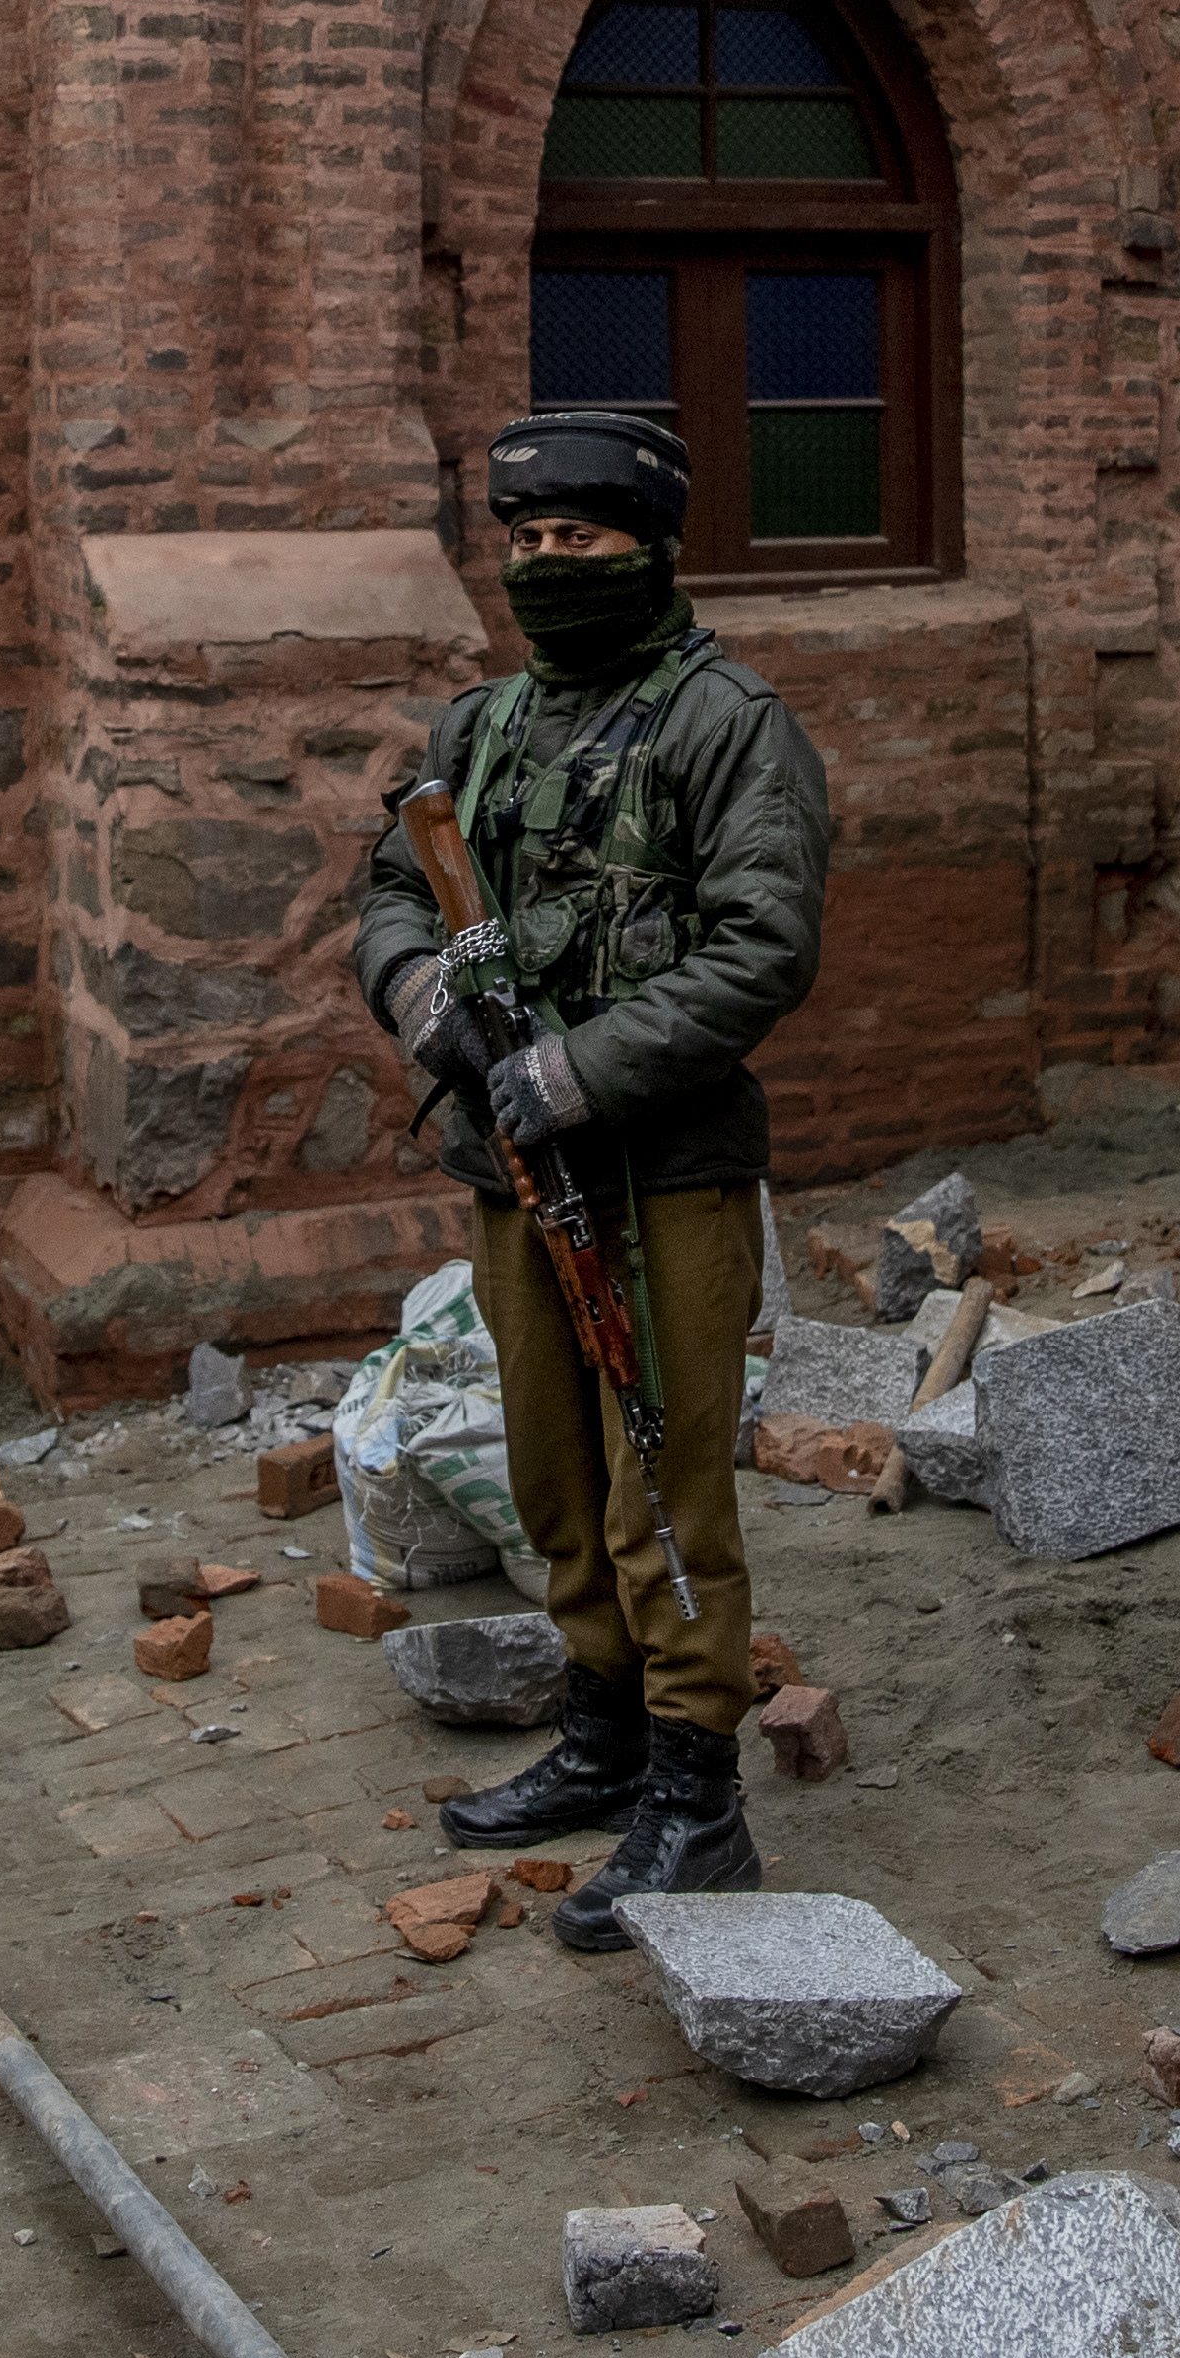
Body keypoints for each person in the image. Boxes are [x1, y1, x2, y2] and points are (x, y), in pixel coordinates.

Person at [356, 410, 832, 1952]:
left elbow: (764, 944)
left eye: (585, 541)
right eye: (530, 542)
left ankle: (700, 1805)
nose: (551, 565)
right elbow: (386, 893)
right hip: (509, 1173)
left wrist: (572, 1073)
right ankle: (603, 1736)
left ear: (652, 548)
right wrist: (427, 998)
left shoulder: (726, 723)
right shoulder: (477, 728)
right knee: (556, 1472)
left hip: (662, 1174)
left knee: (663, 1487)